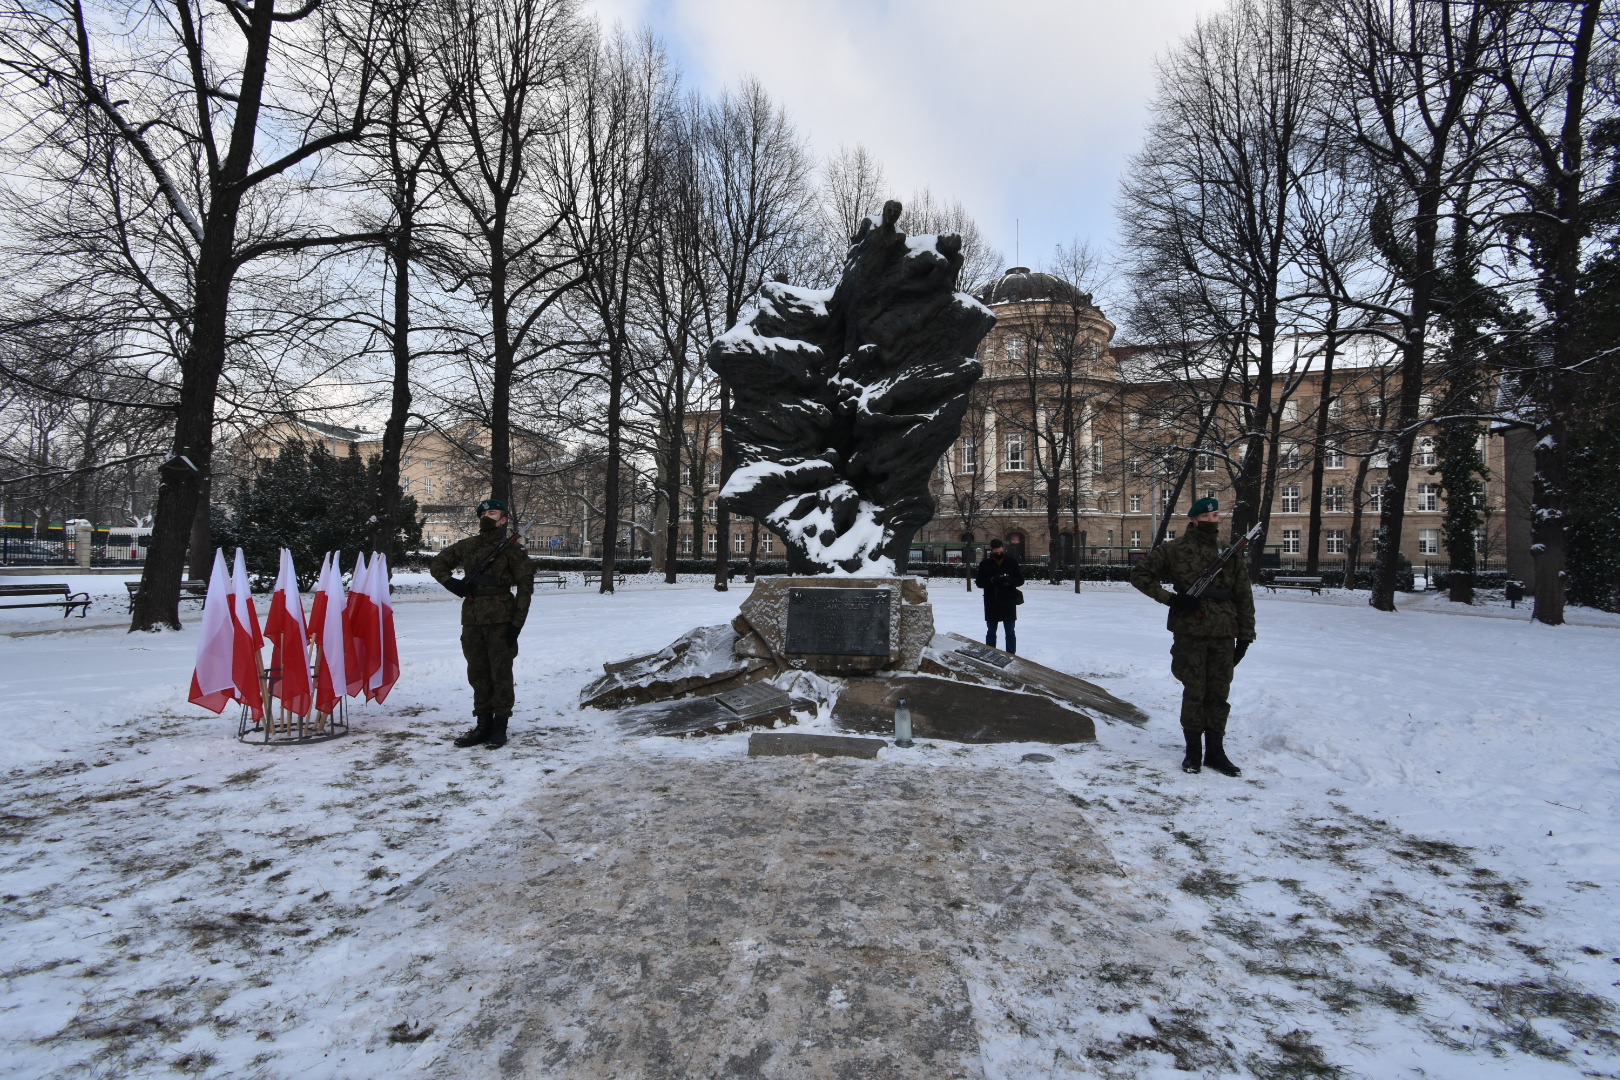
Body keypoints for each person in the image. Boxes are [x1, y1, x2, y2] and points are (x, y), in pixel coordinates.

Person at [1129, 497, 1255, 777]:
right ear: (1194, 519)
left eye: (1216, 515)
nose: (1212, 520)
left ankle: (1216, 752)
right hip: (1190, 631)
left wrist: (1246, 635)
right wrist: (1172, 599)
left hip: (1224, 632)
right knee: (1195, 691)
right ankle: (1193, 752)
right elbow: (1140, 575)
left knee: (1219, 693)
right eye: (1206, 516)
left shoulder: (1228, 551)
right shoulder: (1175, 549)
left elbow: (1244, 594)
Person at [430, 498, 535, 749]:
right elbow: (438, 564)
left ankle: (500, 726)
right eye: (484, 513)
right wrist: (451, 583)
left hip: (502, 620)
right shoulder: (468, 545)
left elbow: (525, 589)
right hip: (472, 618)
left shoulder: (513, 550)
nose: (488, 516)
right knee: (477, 673)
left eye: (493, 513)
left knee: (500, 673)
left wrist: (516, 625)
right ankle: (482, 725)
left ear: (504, 519)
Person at [974, 538, 1025, 654]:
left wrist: (1010, 581)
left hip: (1008, 601)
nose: (999, 554)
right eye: (996, 552)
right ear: (992, 551)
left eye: (1001, 551)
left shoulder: (1011, 562)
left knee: (1010, 631)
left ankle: (1011, 655)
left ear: (1004, 549)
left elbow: (1021, 580)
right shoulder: (985, 564)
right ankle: (990, 653)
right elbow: (979, 582)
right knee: (991, 631)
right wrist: (992, 580)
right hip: (992, 601)